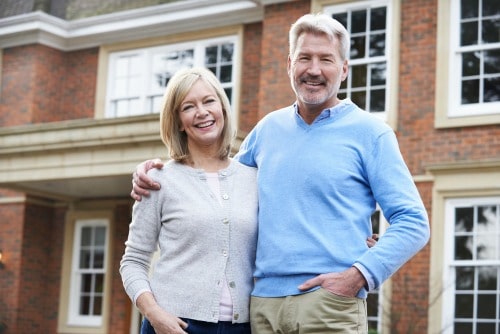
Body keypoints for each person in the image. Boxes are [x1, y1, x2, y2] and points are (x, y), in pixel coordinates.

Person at [130, 13, 430, 334]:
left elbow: (413, 223)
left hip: (328, 303)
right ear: (289, 65)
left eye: (326, 59)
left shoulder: (372, 133)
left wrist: (359, 272)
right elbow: (219, 185)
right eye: (304, 58)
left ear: (343, 69)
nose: (313, 69)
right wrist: (155, 169)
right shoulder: (266, 131)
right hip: (260, 308)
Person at [120, 67, 258, 334]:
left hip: (242, 327)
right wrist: (154, 313)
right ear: (178, 121)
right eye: (188, 106)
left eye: (209, 101)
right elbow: (133, 260)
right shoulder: (159, 180)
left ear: (223, 108)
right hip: (174, 325)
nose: (202, 112)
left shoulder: (252, 179)